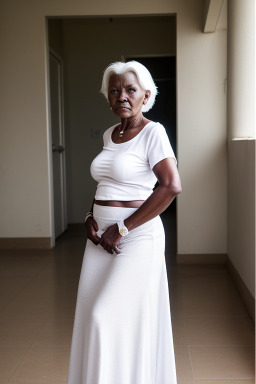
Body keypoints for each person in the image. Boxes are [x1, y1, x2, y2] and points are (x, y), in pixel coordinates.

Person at [67, 61, 182, 384]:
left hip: (135, 238)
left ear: (146, 95)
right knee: (95, 319)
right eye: (115, 91)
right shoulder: (110, 133)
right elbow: (106, 182)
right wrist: (90, 216)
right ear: (108, 98)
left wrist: (122, 228)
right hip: (100, 239)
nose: (122, 97)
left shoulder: (153, 132)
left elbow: (171, 186)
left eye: (130, 90)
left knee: (105, 316)